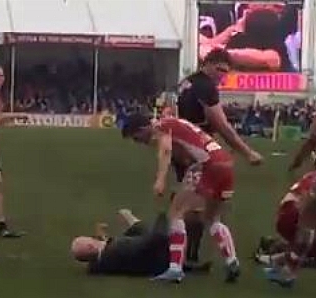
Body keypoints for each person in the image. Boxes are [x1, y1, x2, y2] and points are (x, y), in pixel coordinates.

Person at [122, 114, 252, 283]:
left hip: (207, 165)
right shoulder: (175, 122)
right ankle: (231, 261)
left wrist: (160, 179)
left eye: (136, 138)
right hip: (225, 162)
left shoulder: (162, 127)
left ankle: (175, 269)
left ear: (142, 128)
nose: (138, 142)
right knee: (211, 218)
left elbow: (166, 150)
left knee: (176, 213)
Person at [174, 48, 262, 269]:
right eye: (220, 69)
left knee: (190, 200)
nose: (221, 75)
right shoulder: (206, 86)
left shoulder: (187, 81)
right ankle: (188, 259)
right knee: (196, 205)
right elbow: (221, 125)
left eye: (225, 72)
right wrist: (247, 152)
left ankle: (188, 256)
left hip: (183, 145)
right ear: (208, 63)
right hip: (197, 148)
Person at [265, 158, 316, 286]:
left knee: (311, 227)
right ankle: (288, 268)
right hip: (294, 217)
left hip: (287, 215)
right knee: (312, 228)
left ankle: (282, 262)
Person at [0, 61, 25, 239]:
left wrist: (14, 116)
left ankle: (1, 225)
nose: (2, 79)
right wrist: (15, 116)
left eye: (3, 75)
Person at [71, 209, 169, 276]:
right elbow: (156, 239)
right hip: (164, 256)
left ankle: (134, 222)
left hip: (147, 258)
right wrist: (162, 216)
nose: (93, 238)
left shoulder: (96, 268)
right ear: (90, 246)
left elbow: (101, 252)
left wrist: (103, 239)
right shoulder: (119, 249)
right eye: (91, 239)